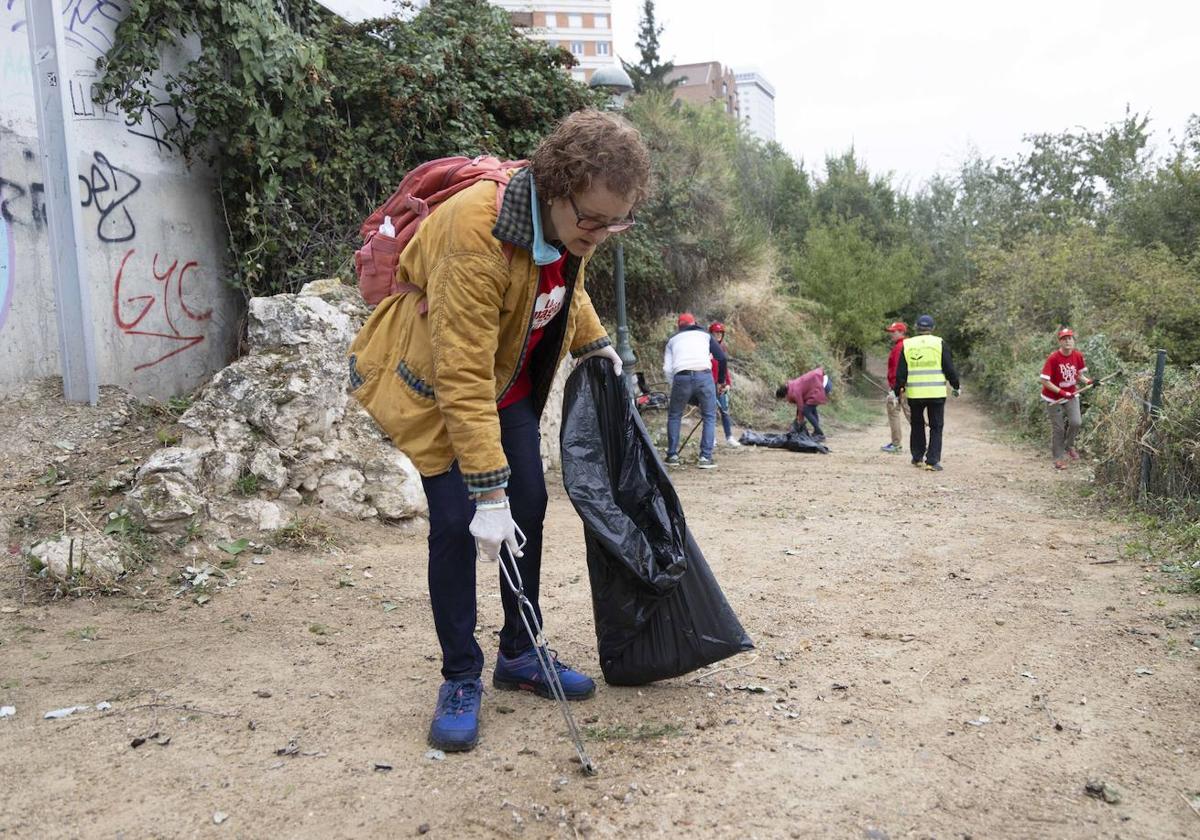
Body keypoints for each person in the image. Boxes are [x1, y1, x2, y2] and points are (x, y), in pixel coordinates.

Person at [348, 110, 652, 753]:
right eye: (591, 220)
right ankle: (460, 675)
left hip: (507, 379)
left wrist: (595, 345)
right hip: (438, 388)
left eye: (613, 223)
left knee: (531, 506)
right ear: (553, 186)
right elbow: (460, 376)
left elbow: (565, 281)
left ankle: (518, 651)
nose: (598, 236)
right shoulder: (475, 233)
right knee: (460, 522)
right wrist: (487, 494)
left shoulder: (573, 226)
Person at [892, 314, 960, 471]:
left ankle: (917, 457)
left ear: (916, 328)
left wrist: (898, 391)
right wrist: (955, 385)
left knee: (917, 425)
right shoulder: (939, 343)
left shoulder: (907, 345)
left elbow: (901, 372)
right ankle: (932, 460)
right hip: (936, 393)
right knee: (936, 426)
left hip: (915, 394)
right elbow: (949, 368)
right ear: (932, 328)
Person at [663, 312, 726, 468]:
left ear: (679, 326)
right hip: (704, 377)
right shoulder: (705, 336)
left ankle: (672, 456)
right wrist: (720, 382)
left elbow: (667, 369)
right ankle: (705, 457)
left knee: (675, 415)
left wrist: (675, 384)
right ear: (694, 323)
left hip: (681, 377)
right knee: (709, 416)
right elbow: (722, 358)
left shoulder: (672, 340)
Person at [1040, 327, 1099, 470]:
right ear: (1060, 342)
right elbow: (1044, 380)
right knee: (1058, 429)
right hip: (1053, 398)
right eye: (1064, 339)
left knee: (1076, 422)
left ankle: (1069, 446)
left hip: (1071, 394)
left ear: (1074, 341)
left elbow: (1078, 375)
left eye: (1070, 338)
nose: (1067, 341)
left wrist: (1089, 382)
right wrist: (1061, 392)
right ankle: (1058, 459)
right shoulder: (1053, 358)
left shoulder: (1077, 356)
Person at [881, 321, 911, 454]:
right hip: (904, 386)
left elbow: (898, 370)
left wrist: (895, 389)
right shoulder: (906, 345)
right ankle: (921, 442)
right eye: (891, 332)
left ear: (902, 332)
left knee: (896, 412)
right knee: (911, 414)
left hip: (900, 387)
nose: (891, 335)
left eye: (894, 332)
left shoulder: (900, 347)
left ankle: (896, 444)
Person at [708, 321, 740, 447]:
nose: (718, 335)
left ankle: (729, 437)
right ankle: (712, 438)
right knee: (710, 411)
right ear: (711, 333)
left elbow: (724, 369)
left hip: (721, 385)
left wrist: (728, 383)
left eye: (721, 332)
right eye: (716, 332)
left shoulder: (722, 348)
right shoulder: (705, 348)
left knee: (724, 410)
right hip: (709, 384)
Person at [776, 367, 831, 441]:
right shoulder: (792, 386)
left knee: (806, 410)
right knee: (811, 408)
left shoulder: (794, 391)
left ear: (785, 395)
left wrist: (800, 423)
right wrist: (797, 419)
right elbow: (799, 406)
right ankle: (816, 431)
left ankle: (820, 433)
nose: (785, 401)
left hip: (822, 383)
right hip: (823, 380)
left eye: (784, 399)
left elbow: (801, 407)